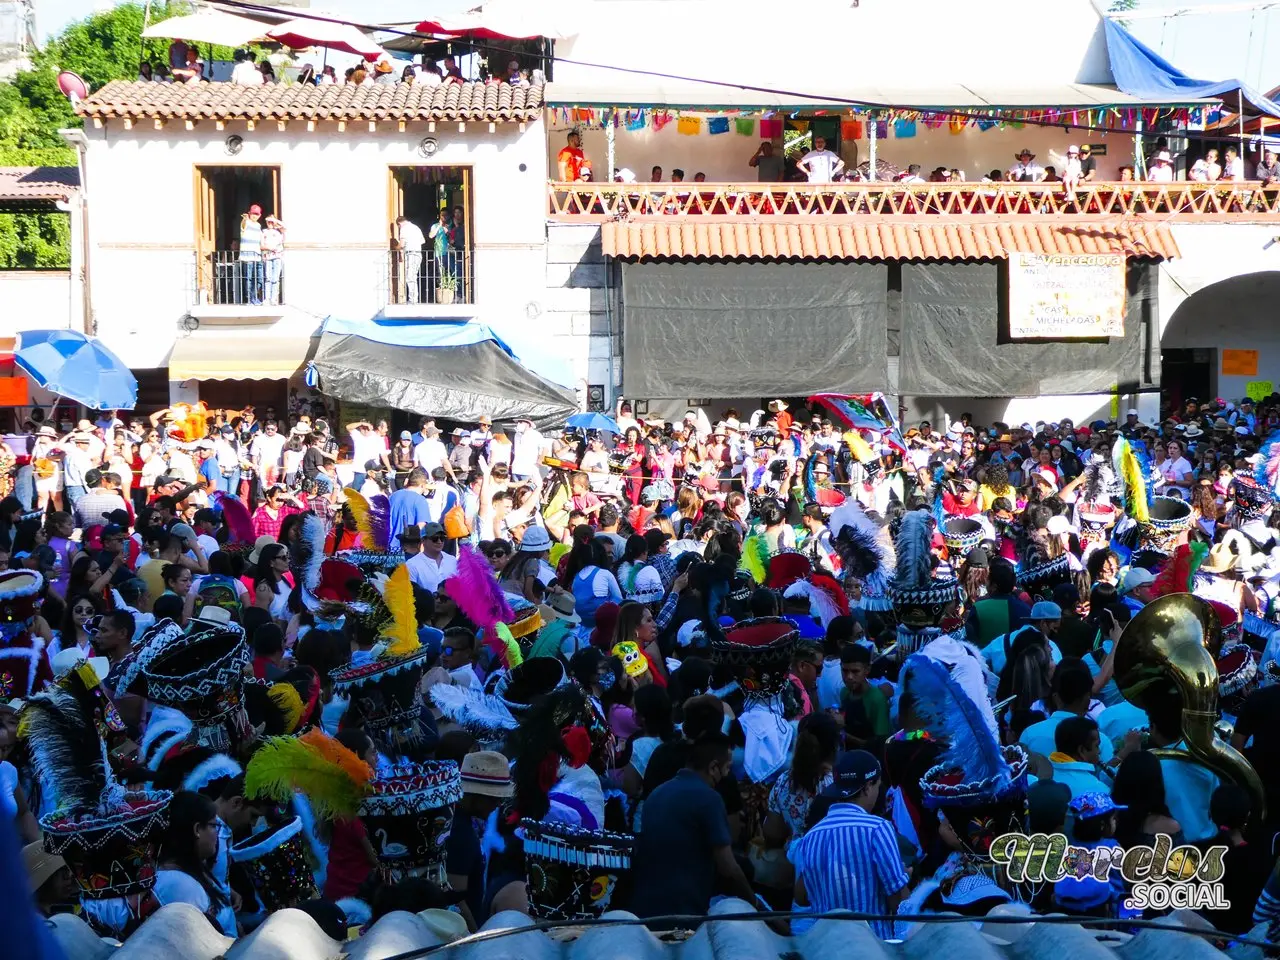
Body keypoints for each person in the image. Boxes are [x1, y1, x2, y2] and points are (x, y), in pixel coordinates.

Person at [628, 733, 756, 919]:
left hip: (644, 908)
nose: (728, 774)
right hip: (684, 911)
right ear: (713, 767)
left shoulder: (657, 794)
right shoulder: (709, 799)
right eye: (727, 768)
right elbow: (728, 867)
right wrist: (754, 902)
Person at [791, 750, 909, 940]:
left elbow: (802, 897)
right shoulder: (877, 829)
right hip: (872, 948)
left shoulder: (810, 837)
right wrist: (902, 877)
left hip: (824, 949)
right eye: (877, 785)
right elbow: (899, 903)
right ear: (868, 787)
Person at [406, 522, 458, 593]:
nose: (439, 541)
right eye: (435, 538)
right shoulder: (412, 564)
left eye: (442, 538)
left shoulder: (452, 560)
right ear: (423, 540)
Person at [238, 203, 265, 305]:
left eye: (257, 214)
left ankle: (254, 297)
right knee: (248, 278)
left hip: (257, 255)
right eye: (253, 213)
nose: (255, 216)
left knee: (259, 279)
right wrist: (245, 219)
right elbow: (243, 225)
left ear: (259, 215)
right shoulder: (246, 222)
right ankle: (249, 299)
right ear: (249, 213)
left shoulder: (258, 225)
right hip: (247, 255)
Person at [396, 215, 426, 303]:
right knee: (413, 276)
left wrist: (395, 247)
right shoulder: (416, 227)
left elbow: (401, 245)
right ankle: (413, 299)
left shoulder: (404, 229)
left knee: (410, 277)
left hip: (411, 254)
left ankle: (413, 300)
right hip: (418, 254)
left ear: (399, 224)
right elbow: (423, 241)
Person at [261, 215, 285, 305]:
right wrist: (270, 248)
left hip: (277, 256)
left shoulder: (279, 231)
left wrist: (275, 220)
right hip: (268, 256)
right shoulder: (264, 231)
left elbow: (284, 227)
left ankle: (273, 298)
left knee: (275, 279)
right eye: (268, 222)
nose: (270, 224)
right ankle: (267, 298)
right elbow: (262, 245)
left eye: (271, 222)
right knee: (268, 278)